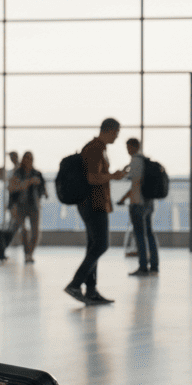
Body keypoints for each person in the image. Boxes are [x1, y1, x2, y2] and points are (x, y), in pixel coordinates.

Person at [64, 118, 127, 306]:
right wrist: (113, 176)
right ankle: (75, 284)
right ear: (109, 130)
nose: (117, 136)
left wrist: (112, 176)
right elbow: (92, 178)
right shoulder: (95, 149)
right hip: (93, 203)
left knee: (94, 246)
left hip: (94, 203)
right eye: (116, 132)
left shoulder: (98, 149)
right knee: (101, 245)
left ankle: (91, 291)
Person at [118, 138, 158, 277]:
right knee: (150, 234)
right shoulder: (146, 161)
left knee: (139, 235)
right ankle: (154, 265)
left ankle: (142, 267)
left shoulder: (135, 161)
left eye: (128, 147)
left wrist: (123, 199)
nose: (127, 150)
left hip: (138, 203)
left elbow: (135, 184)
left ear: (133, 147)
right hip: (149, 202)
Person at [7, 151, 47, 263]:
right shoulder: (18, 173)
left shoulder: (37, 173)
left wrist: (43, 192)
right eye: (26, 158)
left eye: (30, 158)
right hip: (20, 205)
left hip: (34, 205)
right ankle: (26, 254)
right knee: (23, 230)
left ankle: (30, 253)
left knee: (35, 233)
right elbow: (11, 188)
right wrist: (28, 182)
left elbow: (43, 188)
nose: (28, 160)